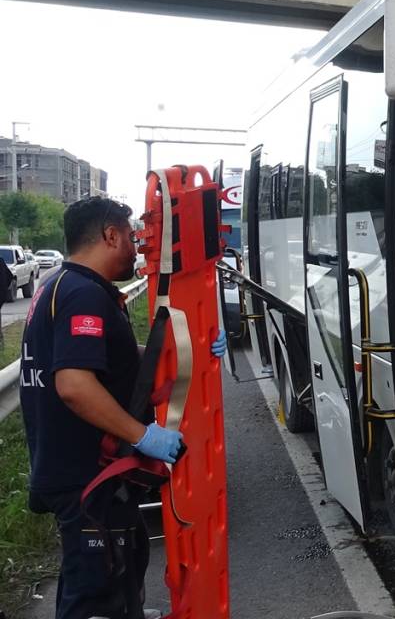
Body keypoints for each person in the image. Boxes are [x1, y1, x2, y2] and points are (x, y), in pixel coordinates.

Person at [19, 197, 226, 619]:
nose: (136, 246)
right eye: (131, 237)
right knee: (96, 594)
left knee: (121, 571)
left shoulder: (60, 286)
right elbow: (74, 384)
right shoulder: (81, 295)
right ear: (109, 235)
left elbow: (107, 359)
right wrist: (142, 435)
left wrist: (192, 351)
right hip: (86, 477)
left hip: (83, 473)